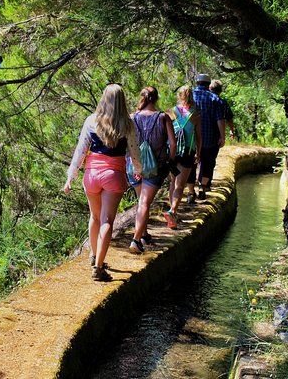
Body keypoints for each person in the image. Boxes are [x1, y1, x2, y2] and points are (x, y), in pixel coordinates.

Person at [64, 84, 143, 281]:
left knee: (95, 217)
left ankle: (93, 256)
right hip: (113, 175)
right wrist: (139, 171)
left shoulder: (91, 121)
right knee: (107, 220)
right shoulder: (128, 124)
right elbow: (135, 153)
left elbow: (80, 151)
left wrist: (70, 177)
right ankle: (99, 267)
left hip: (91, 175)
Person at [127, 86, 176, 253]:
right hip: (156, 167)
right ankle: (135, 240)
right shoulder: (163, 117)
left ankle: (144, 234)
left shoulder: (132, 117)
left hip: (134, 165)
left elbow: (125, 141)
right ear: (156, 99)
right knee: (144, 203)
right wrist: (170, 160)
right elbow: (173, 144)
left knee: (142, 201)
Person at [164, 85, 202, 229]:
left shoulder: (172, 112)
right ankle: (172, 211)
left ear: (180, 96)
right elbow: (198, 136)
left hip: (172, 151)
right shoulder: (195, 114)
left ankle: (172, 213)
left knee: (172, 182)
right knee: (180, 185)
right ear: (191, 96)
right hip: (187, 151)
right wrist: (199, 153)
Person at [189, 73, 225, 200]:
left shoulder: (189, 96)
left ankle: (191, 192)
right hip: (210, 139)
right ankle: (203, 187)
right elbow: (220, 120)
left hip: (191, 139)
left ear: (197, 83)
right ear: (208, 84)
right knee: (208, 163)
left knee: (191, 164)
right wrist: (222, 137)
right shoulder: (215, 99)